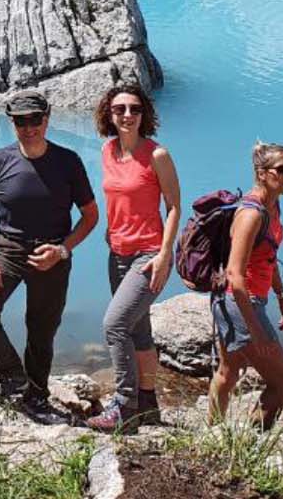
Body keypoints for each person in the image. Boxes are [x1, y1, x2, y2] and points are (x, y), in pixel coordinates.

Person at [0, 90, 99, 425]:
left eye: (34, 120)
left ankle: (36, 398)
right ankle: (13, 376)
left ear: (46, 119)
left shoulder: (69, 161)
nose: (28, 128)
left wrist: (63, 250)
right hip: (6, 250)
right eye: (21, 121)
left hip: (52, 253)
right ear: (12, 122)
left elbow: (90, 216)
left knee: (41, 330)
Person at [84, 83, 182, 433]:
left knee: (114, 325)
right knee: (139, 332)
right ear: (108, 114)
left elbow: (173, 207)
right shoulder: (108, 150)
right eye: (120, 109)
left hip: (149, 255)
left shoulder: (157, 155)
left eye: (134, 109)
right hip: (118, 253)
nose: (127, 115)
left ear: (145, 114)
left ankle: (124, 406)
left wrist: (165, 254)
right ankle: (148, 405)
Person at [208, 143, 283, 429]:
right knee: (282, 383)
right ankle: (252, 441)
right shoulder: (251, 214)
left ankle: (213, 434)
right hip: (238, 302)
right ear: (261, 173)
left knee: (228, 372)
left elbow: (267, 256)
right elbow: (235, 275)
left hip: (243, 299)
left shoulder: (273, 206)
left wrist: (282, 297)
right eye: (282, 170)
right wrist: (256, 331)